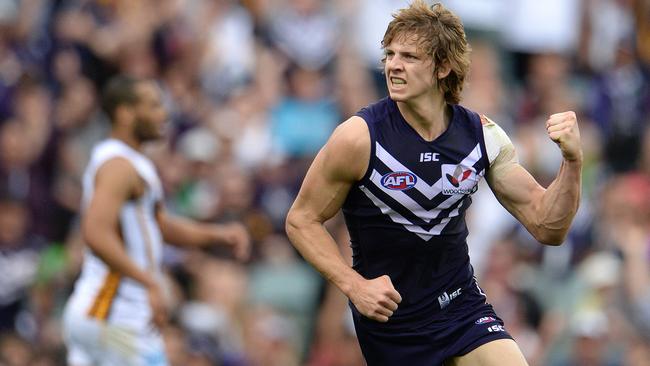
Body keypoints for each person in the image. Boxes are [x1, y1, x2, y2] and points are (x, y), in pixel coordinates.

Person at [285, 2, 582, 365]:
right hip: (393, 324)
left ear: (443, 67)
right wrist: (353, 286)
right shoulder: (359, 137)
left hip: (461, 306)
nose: (393, 65)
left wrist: (572, 161)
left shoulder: (482, 136)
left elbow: (547, 226)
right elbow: (301, 219)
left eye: (409, 56)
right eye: (390, 54)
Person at [62, 75, 250, 366]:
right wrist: (150, 281)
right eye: (153, 106)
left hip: (102, 314)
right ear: (125, 113)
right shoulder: (118, 166)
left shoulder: (131, 163)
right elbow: (95, 232)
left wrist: (217, 234)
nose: (163, 114)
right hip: (112, 314)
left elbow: (160, 225)